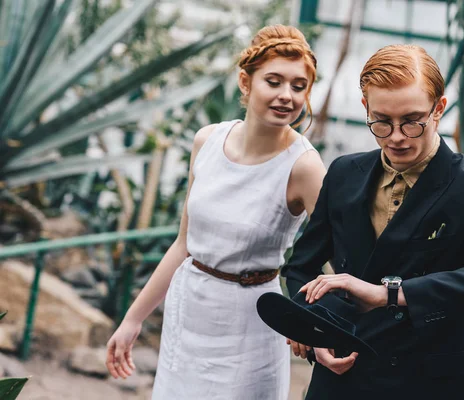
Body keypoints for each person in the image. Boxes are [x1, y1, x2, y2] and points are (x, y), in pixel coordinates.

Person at [281, 44, 464, 399]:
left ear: (438, 108)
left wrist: (389, 294)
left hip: (427, 383)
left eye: (412, 121)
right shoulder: (345, 172)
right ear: (365, 108)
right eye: (381, 121)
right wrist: (314, 330)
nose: (395, 136)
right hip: (342, 380)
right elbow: (300, 268)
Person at [105, 24, 326, 400]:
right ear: (245, 82)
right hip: (189, 309)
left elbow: (335, 256)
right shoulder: (207, 140)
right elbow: (183, 246)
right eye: (273, 81)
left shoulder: (304, 166)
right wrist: (132, 319)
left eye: (298, 86)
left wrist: (326, 329)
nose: (286, 96)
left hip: (253, 323)